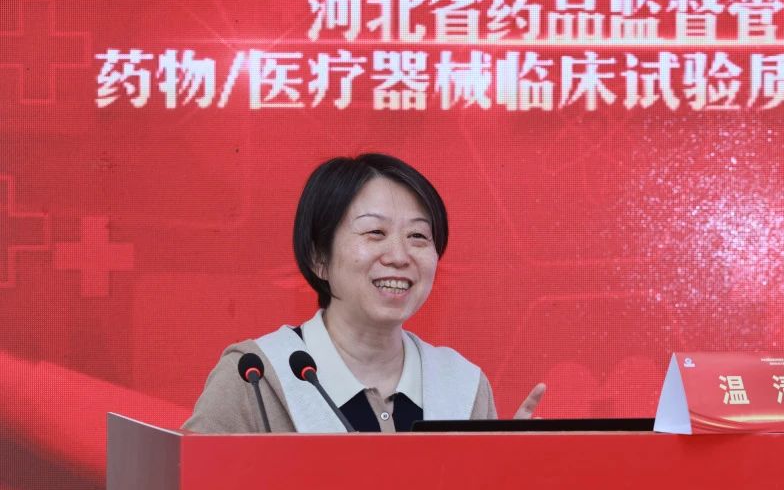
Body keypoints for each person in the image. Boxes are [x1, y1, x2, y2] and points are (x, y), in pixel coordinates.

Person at [184, 153, 543, 433]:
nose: (399, 256)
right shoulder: (256, 375)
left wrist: (510, 474)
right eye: (375, 233)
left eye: (418, 236)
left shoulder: (461, 384)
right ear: (319, 258)